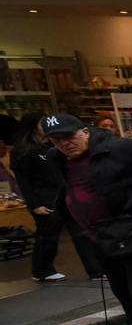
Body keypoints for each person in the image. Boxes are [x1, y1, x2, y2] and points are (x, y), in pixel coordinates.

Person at [40, 113, 132, 325]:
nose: (65, 144)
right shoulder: (55, 158)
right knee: (121, 290)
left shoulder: (117, 147)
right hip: (99, 236)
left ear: (85, 131)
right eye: (57, 140)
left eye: (69, 136)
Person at [12, 112, 103, 282]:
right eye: (42, 122)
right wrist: (34, 204)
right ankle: (42, 270)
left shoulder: (53, 148)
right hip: (43, 196)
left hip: (63, 192)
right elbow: (22, 181)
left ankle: (95, 270)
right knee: (48, 234)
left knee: (81, 232)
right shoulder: (25, 151)